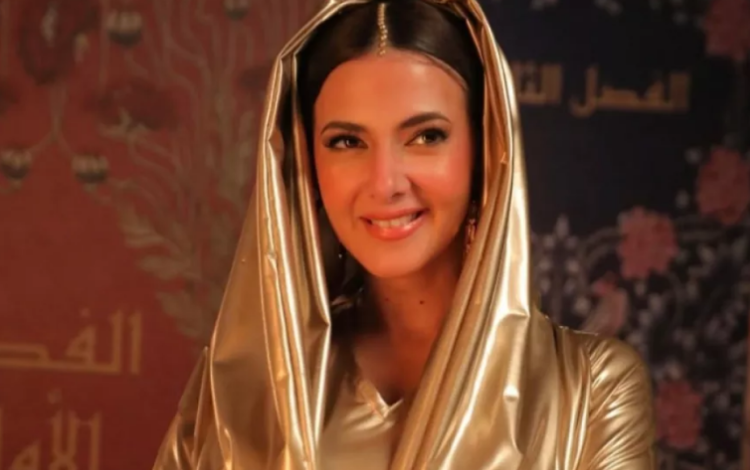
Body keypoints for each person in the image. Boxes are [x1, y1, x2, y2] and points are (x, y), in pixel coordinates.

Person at [152, 0, 656, 468]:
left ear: (486, 152)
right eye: (347, 141)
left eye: (425, 136)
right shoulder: (242, 383)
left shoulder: (590, 391)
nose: (385, 183)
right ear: (307, 163)